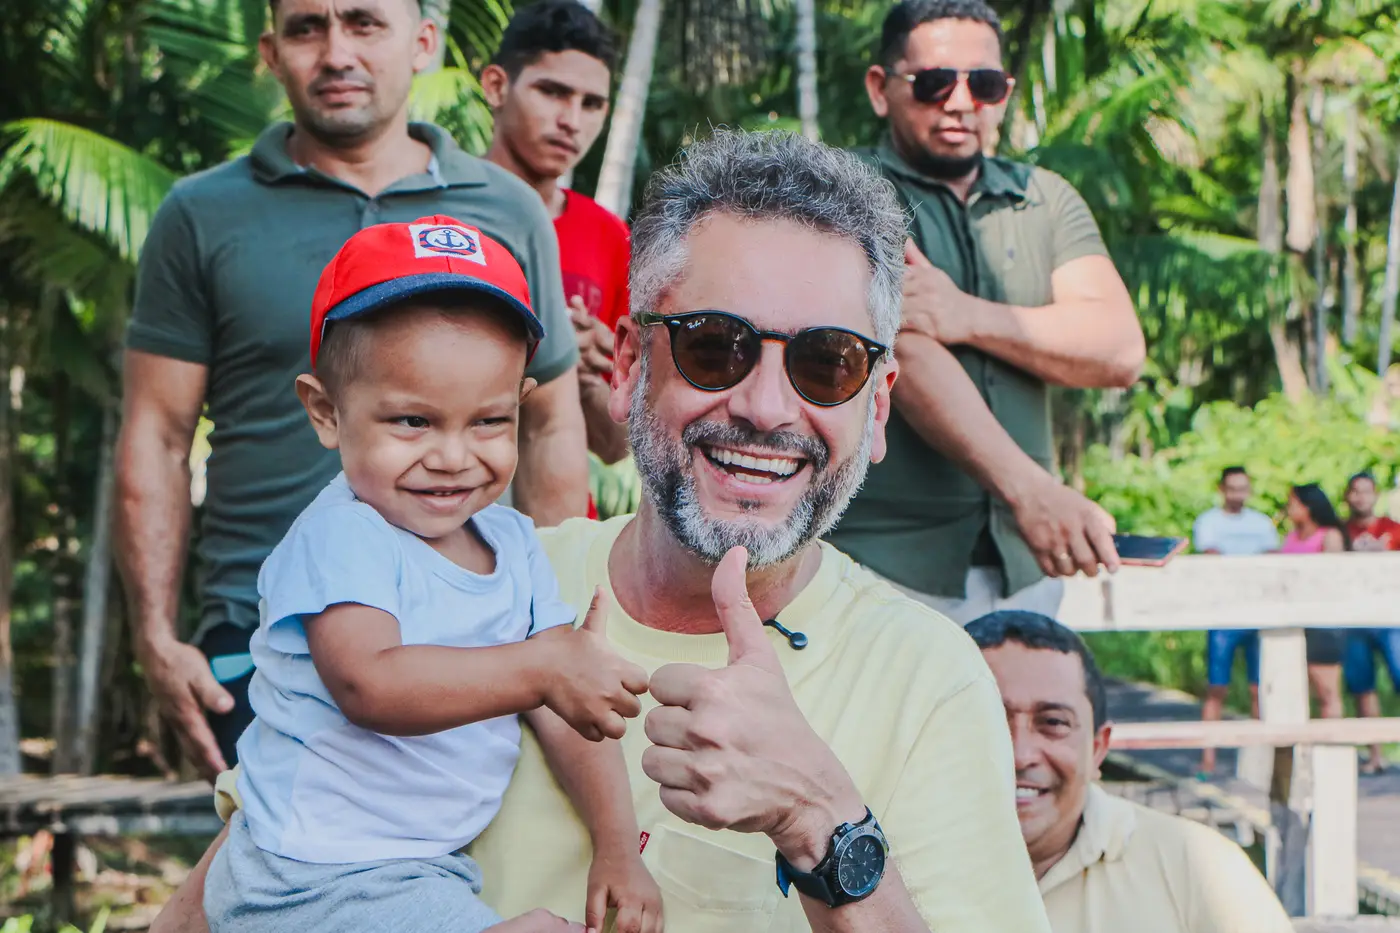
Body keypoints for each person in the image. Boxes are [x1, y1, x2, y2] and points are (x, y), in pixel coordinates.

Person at [151, 129, 1052, 933]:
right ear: (627, 365)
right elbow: (235, 885)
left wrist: (819, 817)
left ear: (878, 406)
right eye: (713, 345)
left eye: (828, 363)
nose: (767, 407)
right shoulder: (459, 570)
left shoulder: (930, 677)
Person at [114, 0, 591, 782]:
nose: (336, 51)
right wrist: (157, 639)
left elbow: (548, 426)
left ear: (424, 42)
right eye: (308, 27)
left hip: (475, 631)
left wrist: (559, 620)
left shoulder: (508, 210)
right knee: (288, 848)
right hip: (263, 634)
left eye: (364, 22)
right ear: (271, 51)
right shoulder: (200, 215)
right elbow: (158, 433)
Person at [203, 217, 659, 933]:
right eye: (413, 421)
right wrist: (544, 666)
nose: (452, 456)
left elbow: (563, 710)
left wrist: (618, 847)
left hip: (414, 868)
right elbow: (370, 684)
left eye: (488, 421)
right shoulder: (344, 534)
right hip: (310, 873)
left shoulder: (513, 543)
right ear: (327, 412)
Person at [830, 0, 1146, 625]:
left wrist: (963, 314)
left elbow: (1118, 349)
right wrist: (1032, 492)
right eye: (933, 82)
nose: (960, 102)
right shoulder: (844, 191)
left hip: (1027, 566)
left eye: (984, 83)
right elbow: (897, 348)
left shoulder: (1046, 199)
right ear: (880, 89)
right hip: (878, 564)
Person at [965, 610, 1294, 933]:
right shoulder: (927, 874)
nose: (1020, 755)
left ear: (1098, 749)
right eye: (985, 718)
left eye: (1053, 722)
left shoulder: (1199, 870)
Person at [482, 0, 631, 465]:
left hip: (559, 503)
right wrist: (543, 350)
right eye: (552, 92)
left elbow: (614, 446)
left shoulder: (611, 237)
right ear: (496, 86)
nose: (572, 121)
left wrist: (589, 373)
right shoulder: (435, 214)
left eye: (592, 104)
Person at [1190, 465, 1279, 777]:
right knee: (1217, 688)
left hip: (1257, 613)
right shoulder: (1209, 522)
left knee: (1260, 688)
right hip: (1224, 614)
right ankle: (1208, 758)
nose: (1238, 494)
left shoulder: (1262, 523)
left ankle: (1262, 759)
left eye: (1243, 488)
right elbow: (1212, 559)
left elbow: (1272, 562)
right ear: (1222, 489)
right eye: (1233, 488)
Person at [1342, 471, 1400, 773]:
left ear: (1376, 495)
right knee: (1362, 687)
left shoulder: (1394, 530)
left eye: (1366, 491)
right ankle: (1375, 755)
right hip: (1354, 619)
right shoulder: (1340, 532)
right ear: (1347, 496)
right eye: (1356, 491)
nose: (1361, 497)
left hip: (1391, 616)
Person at [1282, 483, 1349, 721]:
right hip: (1294, 619)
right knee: (1296, 692)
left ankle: (1334, 742)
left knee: (1327, 691)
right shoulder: (1290, 538)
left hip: (1323, 622)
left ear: (1308, 507)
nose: (1289, 509)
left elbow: (1333, 577)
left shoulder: (1330, 536)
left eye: (1293, 504)